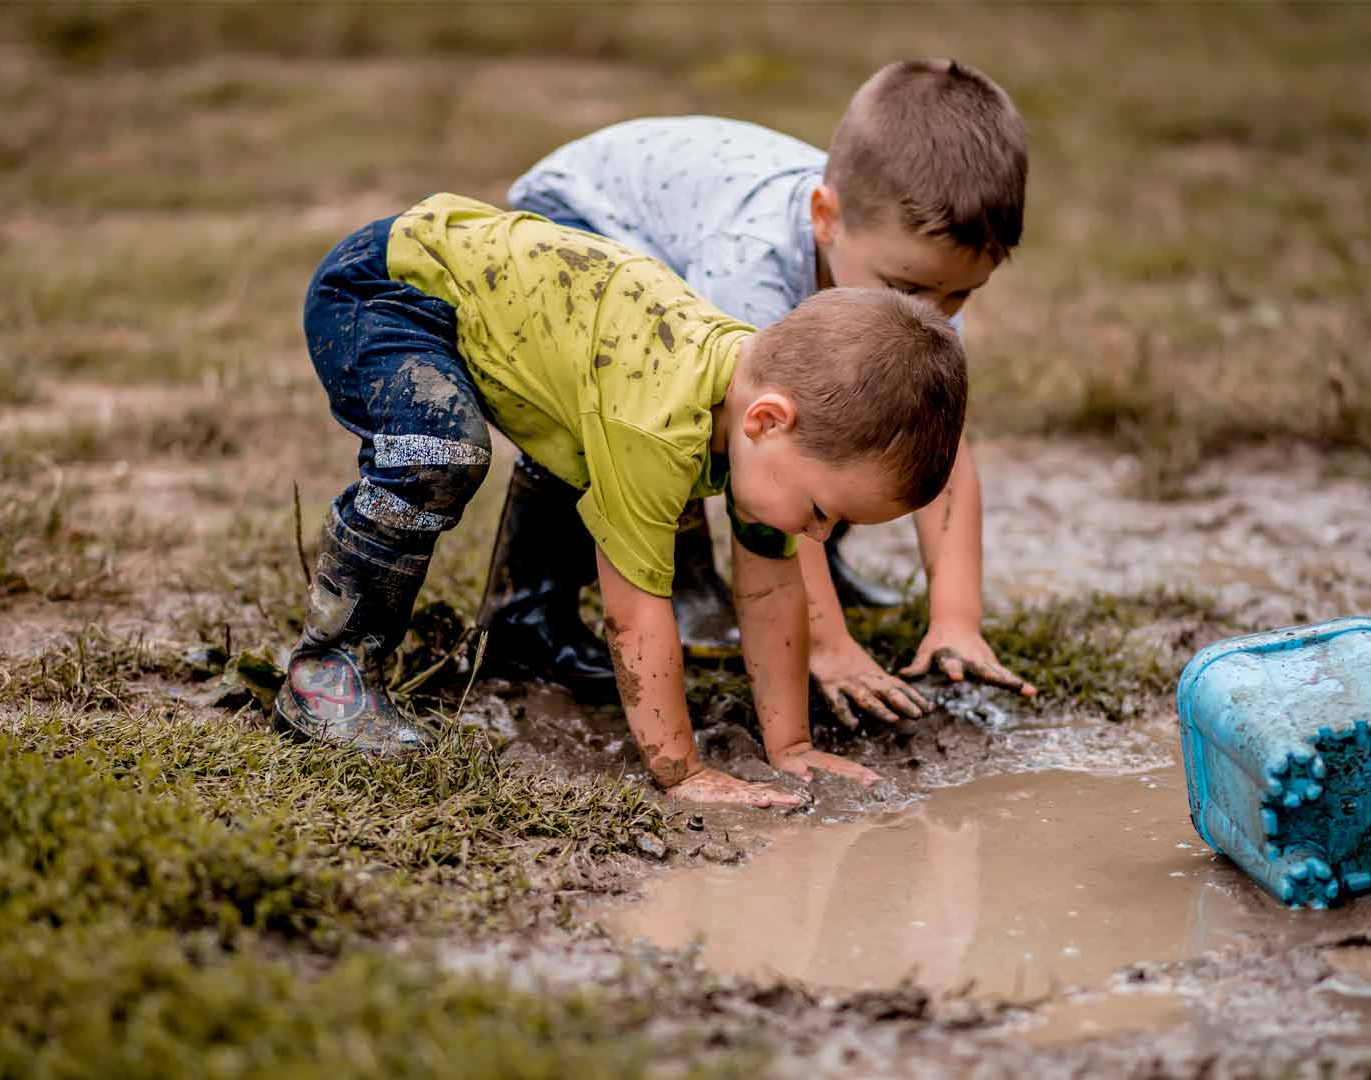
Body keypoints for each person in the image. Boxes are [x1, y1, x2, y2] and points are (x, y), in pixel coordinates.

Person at [279, 193, 969, 806]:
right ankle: (327, 669)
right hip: (390, 289)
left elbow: (768, 589)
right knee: (441, 450)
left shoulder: (757, 417)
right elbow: (635, 613)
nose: (820, 535)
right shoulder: (657, 426)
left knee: (584, 454)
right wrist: (681, 771)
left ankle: (525, 631)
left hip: (497, 316)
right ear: (766, 420)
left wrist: (789, 749)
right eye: (824, 511)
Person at [489, 58, 1037, 724]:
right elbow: (769, 448)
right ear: (825, 219)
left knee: (860, 422)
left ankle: (822, 567)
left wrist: (956, 620)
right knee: (660, 413)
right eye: (911, 291)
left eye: (961, 294)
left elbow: (940, 451)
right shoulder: (751, 265)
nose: (937, 312)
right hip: (586, 221)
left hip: (683, 226)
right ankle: (621, 591)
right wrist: (827, 647)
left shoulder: (919, 285)